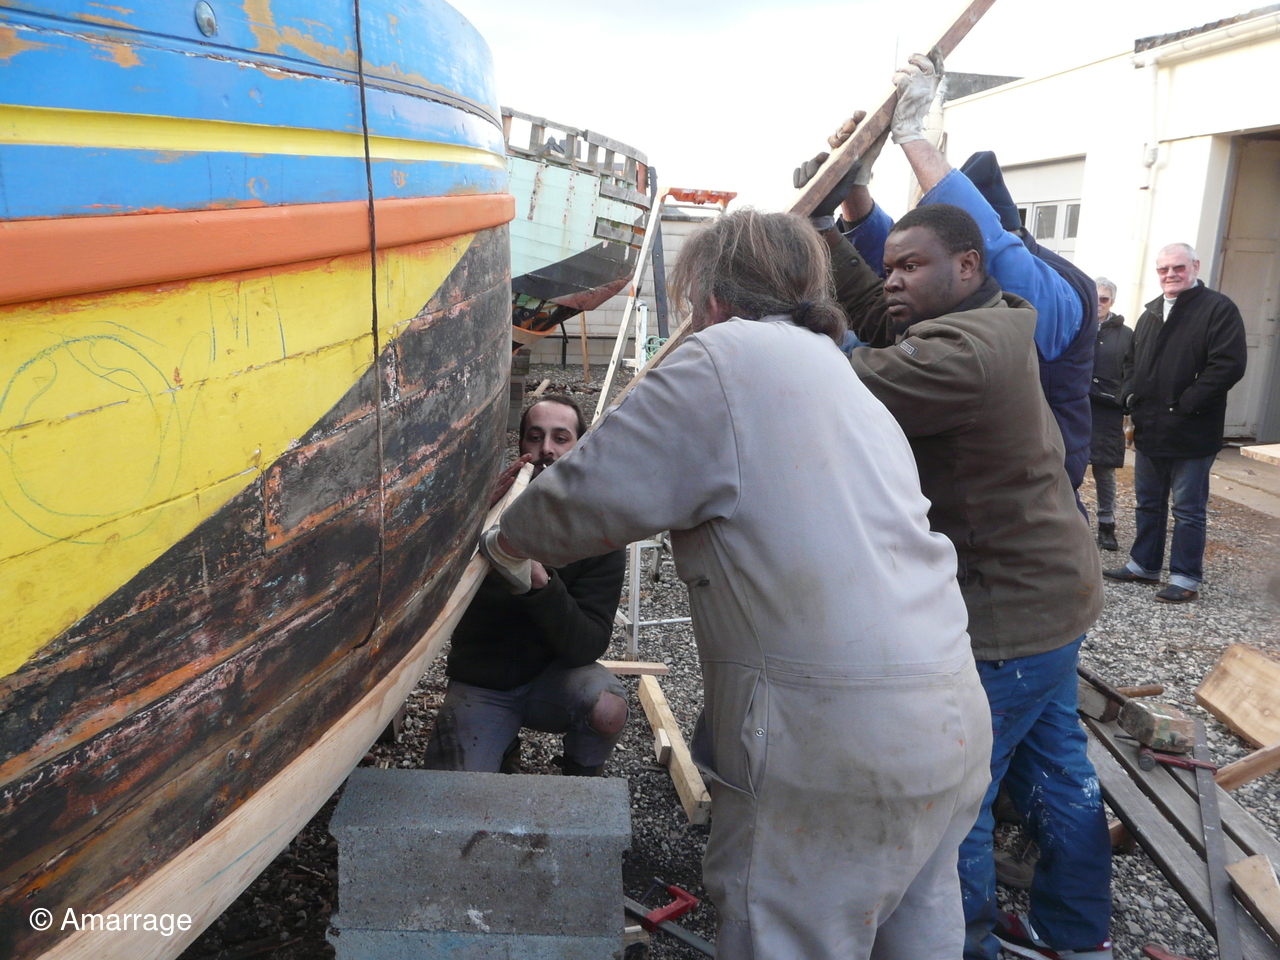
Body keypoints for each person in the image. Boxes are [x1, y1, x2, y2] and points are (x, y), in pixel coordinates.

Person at [481, 208, 992, 959]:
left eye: (694, 302)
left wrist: (503, 532)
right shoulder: (842, 376)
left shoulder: (722, 359)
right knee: (915, 935)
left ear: (714, 299)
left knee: (787, 937)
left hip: (833, 743)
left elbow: (576, 504)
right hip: (949, 718)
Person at [796, 52, 1097, 496]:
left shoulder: (1061, 293)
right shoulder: (956, 299)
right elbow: (899, 268)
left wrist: (912, 136)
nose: (896, 280)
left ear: (969, 260)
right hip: (964, 494)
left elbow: (995, 254)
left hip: (1026, 500)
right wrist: (851, 189)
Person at [421, 395, 628, 776]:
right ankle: (502, 748)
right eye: (535, 437)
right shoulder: (484, 510)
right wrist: (471, 519)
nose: (546, 449)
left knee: (608, 707)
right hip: (483, 682)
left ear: (580, 446)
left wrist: (540, 584)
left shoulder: (601, 530)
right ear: (520, 447)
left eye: (561, 438)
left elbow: (588, 644)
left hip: (555, 678)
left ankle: (581, 775)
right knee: (449, 788)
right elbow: (427, 589)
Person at [1103, 243, 1248, 603]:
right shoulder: (1152, 312)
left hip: (1193, 430)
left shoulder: (1218, 309)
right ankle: (1144, 565)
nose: (1170, 274)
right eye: (1163, 269)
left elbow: (1228, 365)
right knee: (1148, 503)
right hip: (1150, 427)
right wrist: (1129, 395)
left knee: (1187, 509)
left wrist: (1186, 404)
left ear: (1195, 266)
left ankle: (1185, 577)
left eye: (1178, 267)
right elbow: (1131, 362)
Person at [1089, 278, 1133, 551]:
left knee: (1104, 470)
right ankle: (1067, 525)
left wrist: (1125, 399)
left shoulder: (1126, 334)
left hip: (1108, 409)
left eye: (1104, 299)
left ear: (1112, 302)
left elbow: (1132, 370)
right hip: (1076, 406)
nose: (1098, 303)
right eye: (1094, 297)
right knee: (1066, 466)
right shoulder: (1077, 325)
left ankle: (1107, 525)